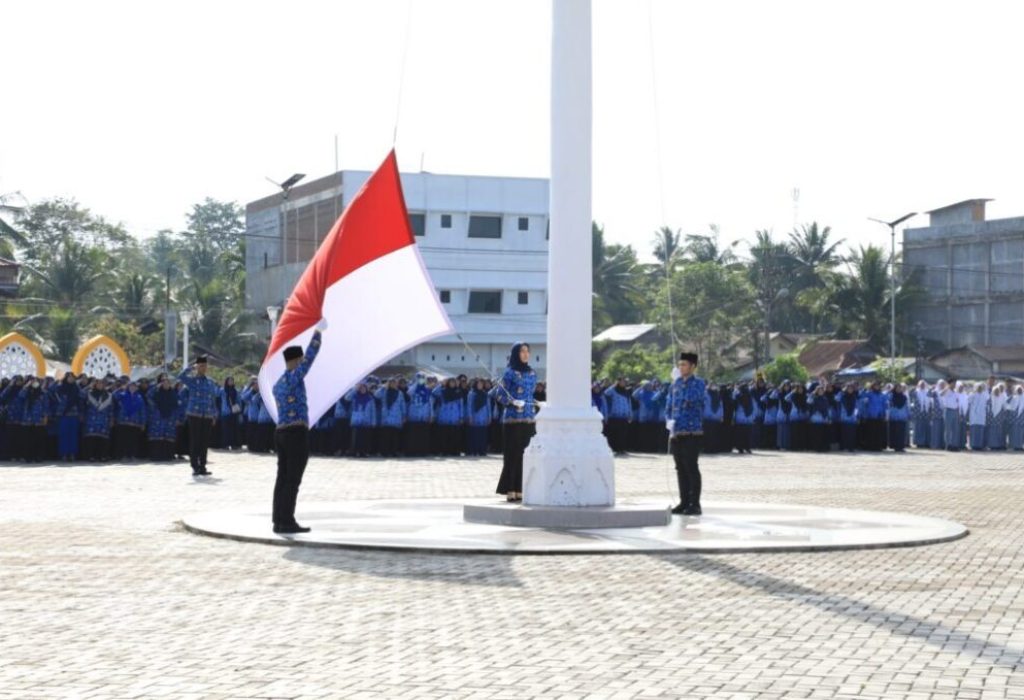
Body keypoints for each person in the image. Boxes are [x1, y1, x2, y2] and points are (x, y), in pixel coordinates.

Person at [271, 318, 325, 534]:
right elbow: (310, 360)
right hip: (295, 433)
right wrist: (317, 334)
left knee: (282, 478)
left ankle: (278, 519)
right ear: (294, 361)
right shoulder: (294, 377)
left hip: (281, 432)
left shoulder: (278, 384)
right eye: (299, 360)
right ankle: (287, 520)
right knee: (293, 479)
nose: (302, 363)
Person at [495, 342, 537, 502]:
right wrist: (511, 402)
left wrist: (537, 402)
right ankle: (510, 488)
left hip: (528, 418)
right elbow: (499, 395)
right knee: (512, 455)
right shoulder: (509, 373)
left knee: (525, 455)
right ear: (516, 354)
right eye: (522, 351)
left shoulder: (532, 373)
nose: (526, 354)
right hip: (513, 420)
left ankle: (521, 488)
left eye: (528, 351)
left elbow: (528, 396)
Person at [667, 352, 706, 516]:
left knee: (691, 466)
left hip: (691, 431)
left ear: (692, 367)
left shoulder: (698, 383)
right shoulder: (675, 384)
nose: (681, 367)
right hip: (677, 431)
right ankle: (683, 502)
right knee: (680, 468)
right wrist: (667, 420)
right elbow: (669, 403)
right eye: (680, 364)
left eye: (684, 364)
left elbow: (693, 399)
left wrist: (682, 383)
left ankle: (694, 504)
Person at [178, 356, 218, 475]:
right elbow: (180, 376)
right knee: (195, 441)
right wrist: (191, 368)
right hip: (194, 414)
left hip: (207, 415)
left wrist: (214, 414)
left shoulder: (210, 382)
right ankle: (195, 466)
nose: (203, 368)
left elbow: (212, 399)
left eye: (205, 366)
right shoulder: (192, 381)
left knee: (204, 442)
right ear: (197, 367)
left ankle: (203, 466)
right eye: (200, 366)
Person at [147, 374, 179, 461]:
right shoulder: (156, 392)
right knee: (157, 436)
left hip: (170, 418)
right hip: (158, 416)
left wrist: (177, 418)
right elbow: (148, 396)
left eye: (167, 383)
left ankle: (168, 455)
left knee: (168, 437)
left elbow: (176, 406)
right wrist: (156, 387)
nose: (166, 384)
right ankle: (156, 456)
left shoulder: (173, 393)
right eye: (163, 383)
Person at [83, 378, 114, 462]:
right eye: (98, 383)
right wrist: (88, 386)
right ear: (95, 384)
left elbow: (111, 408)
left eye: (102, 384)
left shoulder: (108, 395)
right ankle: (91, 456)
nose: (100, 385)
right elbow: (81, 398)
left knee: (103, 439)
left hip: (104, 419)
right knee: (91, 439)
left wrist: (111, 418)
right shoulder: (89, 393)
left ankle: (102, 456)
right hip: (91, 419)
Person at [54, 372, 82, 462]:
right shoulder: (60, 387)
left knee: (73, 435)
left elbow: (82, 398)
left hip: (74, 414)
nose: (71, 379)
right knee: (64, 435)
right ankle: (64, 454)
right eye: (69, 377)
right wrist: (58, 381)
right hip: (63, 414)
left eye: (72, 377)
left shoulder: (77, 388)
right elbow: (51, 391)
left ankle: (72, 453)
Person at [375, 377, 405, 457]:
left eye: (394, 383)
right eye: (391, 383)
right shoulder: (384, 392)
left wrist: (404, 415)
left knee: (395, 436)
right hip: (386, 417)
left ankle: (393, 451)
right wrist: (383, 387)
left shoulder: (399, 393)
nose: (393, 384)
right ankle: (384, 452)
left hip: (396, 416)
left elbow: (402, 405)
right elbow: (376, 395)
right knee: (385, 436)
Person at [603, 378, 633, 455]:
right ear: (618, 382)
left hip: (624, 416)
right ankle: (614, 449)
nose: (624, 383)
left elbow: (628, 403)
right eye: (622, 382)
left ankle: (622, 449)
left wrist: (630, 414)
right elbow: (605, 393)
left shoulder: (626, 392)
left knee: (623, 434)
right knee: (614, 434)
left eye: (624, 382)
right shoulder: (613, 390)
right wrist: (613, 385)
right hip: (614, 415)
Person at [465, 378, 491, 456]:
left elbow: (488, 406)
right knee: (474, 435)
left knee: (482, 435)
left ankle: (482, 451)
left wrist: (489, 416)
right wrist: (470, 416)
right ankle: (473, 450)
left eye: (481, 384)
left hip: (483, 416)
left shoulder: (485, 394)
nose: (480, 385)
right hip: (475, 416)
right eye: (479, 384)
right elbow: (469, 406)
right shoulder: (471, 393)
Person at [217, 377, 243, 450]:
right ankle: (225, 445)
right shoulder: (222, 390)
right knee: (225, 430)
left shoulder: (235, 391)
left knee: (234, 429)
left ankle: (233, 444)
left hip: (234, 412)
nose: (231, 382)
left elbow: (239, 400)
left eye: (232, 380)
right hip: (225, 412)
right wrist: (218, 386)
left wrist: (239, 410)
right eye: (229, 380)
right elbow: (216, 395)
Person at [887, 384, 909, 452]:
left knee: (901, 432)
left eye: (900, 388)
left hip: (902, 416)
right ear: (895, 388)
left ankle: (901, 446)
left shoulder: (904, 397)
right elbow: (889, 406)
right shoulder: (891, 396)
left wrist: (907, 414)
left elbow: (906, 406)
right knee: (894, 432)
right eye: (897, 388)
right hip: (894, 416)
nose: (899, 389)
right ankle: (894, 446)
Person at [967, 382, 988, 451]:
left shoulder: (985, 395)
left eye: (981, 387)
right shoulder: (972, 394)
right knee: (974, 430)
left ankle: (979, 445)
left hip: (981, 416)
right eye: (978, 387)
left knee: (980, 430)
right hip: (974, 415)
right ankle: (973, 445)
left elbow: (988, 399)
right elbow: (968, 401)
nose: (980, 389)